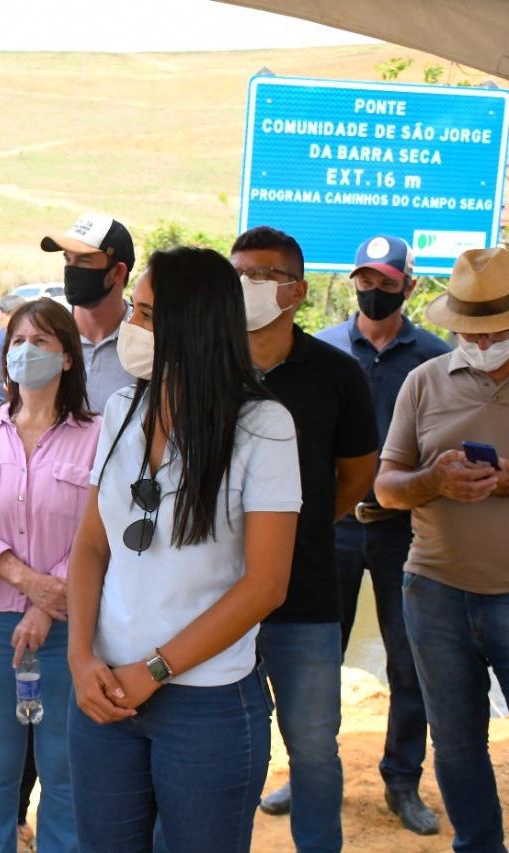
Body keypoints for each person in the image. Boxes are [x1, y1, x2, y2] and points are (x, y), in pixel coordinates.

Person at [68, 246, 301, 852]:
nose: (129, 325)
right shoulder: (122, 409)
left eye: (144, 314)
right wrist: (78, 658)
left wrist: (154, 671)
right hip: (104, 694)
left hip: (208, 704)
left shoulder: (264, 427)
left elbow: (266, 584)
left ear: (191, 327)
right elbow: (92, 546)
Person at [232, 226, 379, 852]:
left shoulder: (337, 374)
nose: (245, 287)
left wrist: (300, 528)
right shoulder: (207, 370)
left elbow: (356, 474)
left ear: (296, 290)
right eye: (236, 274)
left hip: (306, 596)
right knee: (223, 750)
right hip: (213, 599)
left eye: (261, 276)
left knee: (314, 746)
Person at [0, 298, 100, 852]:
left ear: (66, 359)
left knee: (64, 767)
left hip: (67, 629)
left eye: (41, 343)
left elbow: (97, 534)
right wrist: (30, 583)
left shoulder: (98, 436)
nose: (25, 353)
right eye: (17, 343)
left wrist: (45, 604)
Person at [375, 245, 509, 853]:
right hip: (435, 591)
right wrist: (434, 480)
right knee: (455, 742)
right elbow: (386, 485)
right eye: (469, 331)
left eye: (493, 331)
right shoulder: (423, 381)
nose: (479, 343)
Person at [314, 235, 447, 836]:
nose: (373, 291)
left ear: (410, 287)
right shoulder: (318, 351)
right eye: (365, 280)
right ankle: (312, 773)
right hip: (330, 528)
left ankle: (402, 781)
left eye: (387, 283)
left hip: (407, 532)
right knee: (316, 657)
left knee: (408, 661)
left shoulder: (436, 359)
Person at [40, 213, 136, 410]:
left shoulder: (144, 341)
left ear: (118, 272)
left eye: (84, 261)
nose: (72, 271)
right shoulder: (46, 330)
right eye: (68, 259)